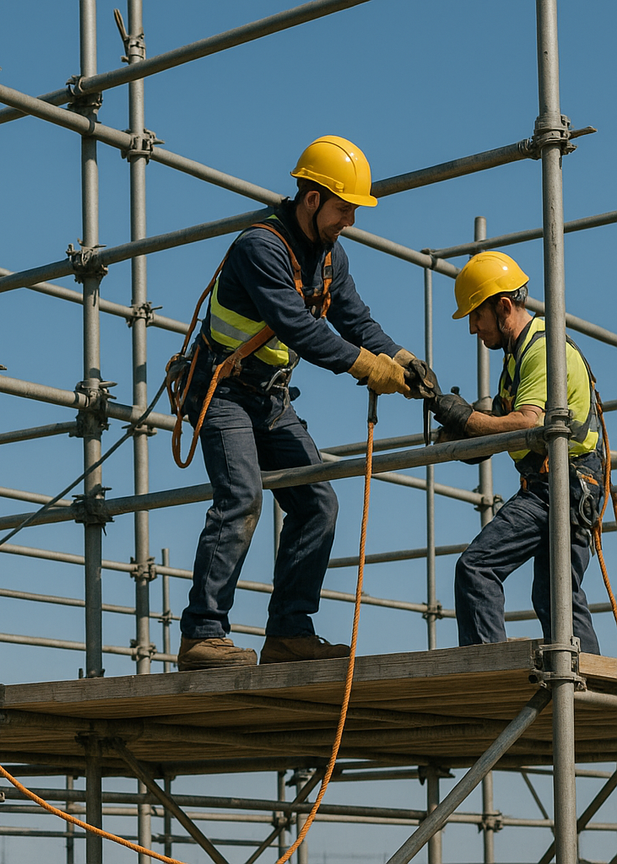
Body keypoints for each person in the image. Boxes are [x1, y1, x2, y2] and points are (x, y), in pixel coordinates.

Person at [174, 135, 435, 671]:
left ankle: (290, 631)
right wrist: (368, 367)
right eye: (344, 209)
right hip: (223, 390)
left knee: (317, 501)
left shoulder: (330, 257)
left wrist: (404, 361)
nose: (351, 222)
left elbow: (356, 321)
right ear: (311, 199)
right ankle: (202, 633)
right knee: (241, 499)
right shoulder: (260, 247)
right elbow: (299, 328)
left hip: (269, 396)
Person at [432, 251, 602, 654]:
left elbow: (528, 423)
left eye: (477, 315)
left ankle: (486, 673)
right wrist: (463, 429)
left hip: (562, 482)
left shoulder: (542, 350)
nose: (473, 328)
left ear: (503, 306)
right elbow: (504, 418)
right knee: (557, 598)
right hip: (570, 484)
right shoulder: (518, 357)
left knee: (477, 567)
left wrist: (470, 423)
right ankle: (597, 697)